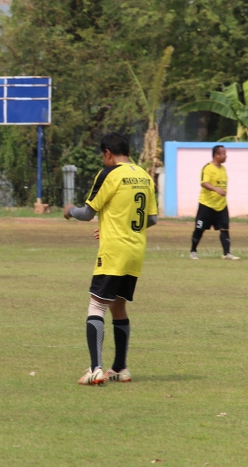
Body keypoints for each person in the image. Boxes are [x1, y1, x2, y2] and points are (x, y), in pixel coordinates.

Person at [64, 133, 157, 385]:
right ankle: (120, 368)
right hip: (135, 252)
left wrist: (69, 211)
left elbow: (86, 213)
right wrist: (113, 226)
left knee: (96, 305)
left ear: (107, 153)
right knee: (118, 306)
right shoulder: (144, 176)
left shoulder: (110, 174)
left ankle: (95, 369)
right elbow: (151, 219)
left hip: (114, 251)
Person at [190, 145, 239, 260]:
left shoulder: (223, 169)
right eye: (223, 154)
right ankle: (193, 251)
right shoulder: (208, 168)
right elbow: (204, 183)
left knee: (224, 228)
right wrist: (216, 189)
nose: (226, 156)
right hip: (207, 205)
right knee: (199, 228)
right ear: (216, 155)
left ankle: (227, 253)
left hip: (221, 205)